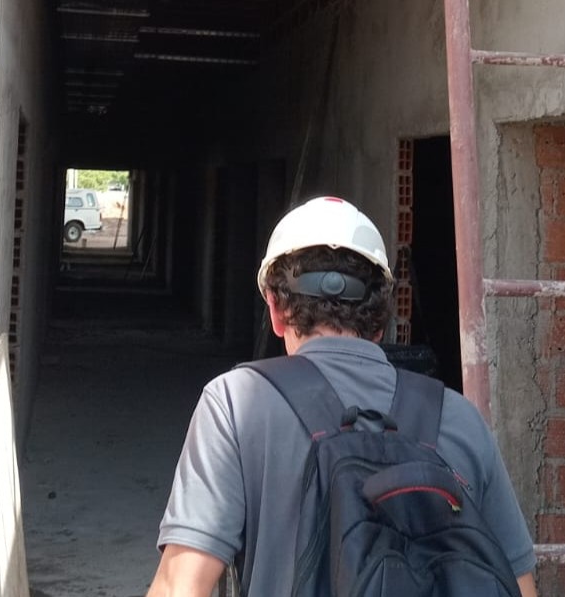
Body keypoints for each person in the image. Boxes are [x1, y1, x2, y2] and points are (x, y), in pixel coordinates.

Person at [146, 196, 538, 597]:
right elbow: (519, 586)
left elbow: (182, 586)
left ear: (276, 311)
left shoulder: (236, 403)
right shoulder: (458, 416)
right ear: (380, 321)